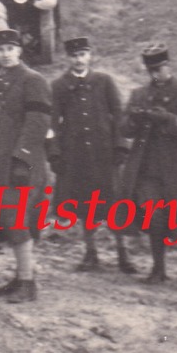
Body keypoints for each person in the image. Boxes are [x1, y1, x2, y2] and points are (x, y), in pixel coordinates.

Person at [121, 42, 177, 285]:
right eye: (151, 70)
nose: (155, 74)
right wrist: (134, 118)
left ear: (168, 66)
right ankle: (158, 268)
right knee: (154, 217)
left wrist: (167, 119)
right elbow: (125, 130)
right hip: (148, 167)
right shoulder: (139, 94)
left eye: (159, 69)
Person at [0, 28, 52, 303]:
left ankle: (28, 283)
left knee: (17, 220)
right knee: (8, 222)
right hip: (0, 165)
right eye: (0, 50)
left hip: (22, 166)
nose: (5, 55)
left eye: (10, 49)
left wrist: (22, 159)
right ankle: (20, 276)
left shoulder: (33, 80)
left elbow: (38, 123)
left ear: (19, 51)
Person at [48, 36, 135, 273]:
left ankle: (123, 254)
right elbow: (51, 121)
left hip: (104, 152)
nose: (79, 60)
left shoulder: (103, 81)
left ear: (90, 56)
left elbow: (119, 115)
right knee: (85, 204)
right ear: (68, 58)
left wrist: (121, 146)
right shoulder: (59, 85)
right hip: (75, 154)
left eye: (83, 55)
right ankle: (91, 253)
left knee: (113, 202)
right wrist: (54, 151)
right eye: (74, 56)